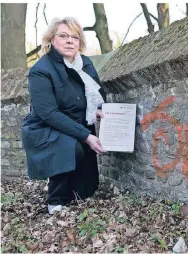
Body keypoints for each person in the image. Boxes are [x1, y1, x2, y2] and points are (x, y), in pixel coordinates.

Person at [21, 17, 106, 214]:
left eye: (75, 37)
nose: (70, 41)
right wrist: (86, 136)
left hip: (79, 124)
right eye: (63, 36)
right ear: (51, 39)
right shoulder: (40, 70)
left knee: (87, 191)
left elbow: (97, 94)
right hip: (46, 128)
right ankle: (55, 200)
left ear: (80, 42)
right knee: (70, 146)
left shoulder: (85, 63)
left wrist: (101, 109)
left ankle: (73, 189)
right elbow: (49, 114)